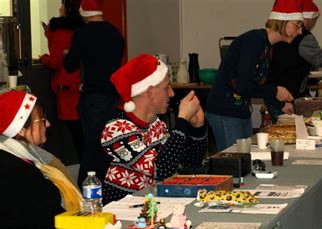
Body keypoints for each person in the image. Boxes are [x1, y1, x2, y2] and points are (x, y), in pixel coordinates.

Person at [100, 54, 207, 204]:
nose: (172, 93)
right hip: (121, 213)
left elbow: (189, 165)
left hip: (151, 206)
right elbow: (161, 169)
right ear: (150, 92)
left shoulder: (155, 124)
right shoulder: (117, 129)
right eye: (166, 87)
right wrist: (182, 120)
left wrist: (197, 128)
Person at [206, 0, 301, 151]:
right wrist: (276, 91)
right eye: (297, 24)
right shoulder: (254, 41)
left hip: (240, 112)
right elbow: (242, 86)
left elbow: (255, 86)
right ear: (282, 22)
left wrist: (280, 105)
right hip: (225, 112)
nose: (300, 31)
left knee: (245, 161)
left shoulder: (267, 46)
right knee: (235, 163)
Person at [0, 91, 82, 229]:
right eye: (42, 120)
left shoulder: (28, 158)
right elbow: (45, 219)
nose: (48, 124)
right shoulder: (14, 169)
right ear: (21, 129)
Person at [63, 0, 125, 185]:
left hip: (92, 97)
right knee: (108, 143)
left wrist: (68, 53)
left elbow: (69, 65)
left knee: (91, 147)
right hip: (113, 97)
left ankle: (85, 189)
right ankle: (109, 184)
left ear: (83, 11)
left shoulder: (81, 35)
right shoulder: (116, 34)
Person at [265, 0, 322, 122]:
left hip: (272, 92)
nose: (300, 31)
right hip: (287, 95)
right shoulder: (304, 38)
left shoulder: (274, 35)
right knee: (290, 131)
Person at [39, 0, 85, 162]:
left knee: (76, 135)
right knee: (82, 133)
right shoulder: (81, 29)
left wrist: (43, 57)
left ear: (67, 10)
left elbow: (54, 62)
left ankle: (83, 171)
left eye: (62, 6)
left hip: (66, 87)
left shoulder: (60, 32)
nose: (59, 9)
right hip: (80, 85)